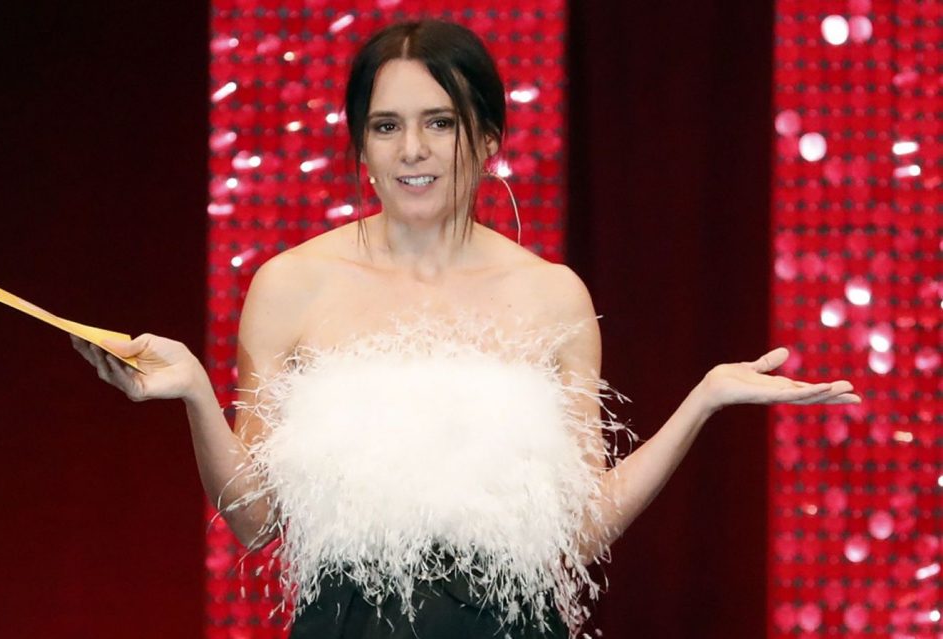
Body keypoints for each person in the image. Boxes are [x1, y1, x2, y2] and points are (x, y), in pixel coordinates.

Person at [70, 19, 859, 639]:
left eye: (439, 123)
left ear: (485, 138)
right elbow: (253, 523)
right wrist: (195, 392)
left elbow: (578, 531)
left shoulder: (551, 296)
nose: (412, 150)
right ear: (361, 143)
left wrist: (704, 399)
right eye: (386, 126)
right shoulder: (290, 286)